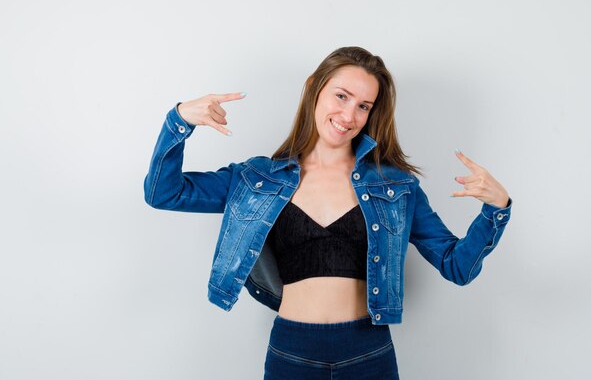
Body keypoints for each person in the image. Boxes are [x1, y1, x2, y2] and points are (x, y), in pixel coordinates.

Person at [144, 46, 512, 379]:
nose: (349, 114)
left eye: (364, 106)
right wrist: (179, 121)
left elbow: (457, 265)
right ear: (313, 88)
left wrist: (495, 210)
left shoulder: (395, 188)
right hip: (292, 353)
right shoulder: (257, 179)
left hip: (367, 354)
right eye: (341, 96)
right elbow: (165, 193)